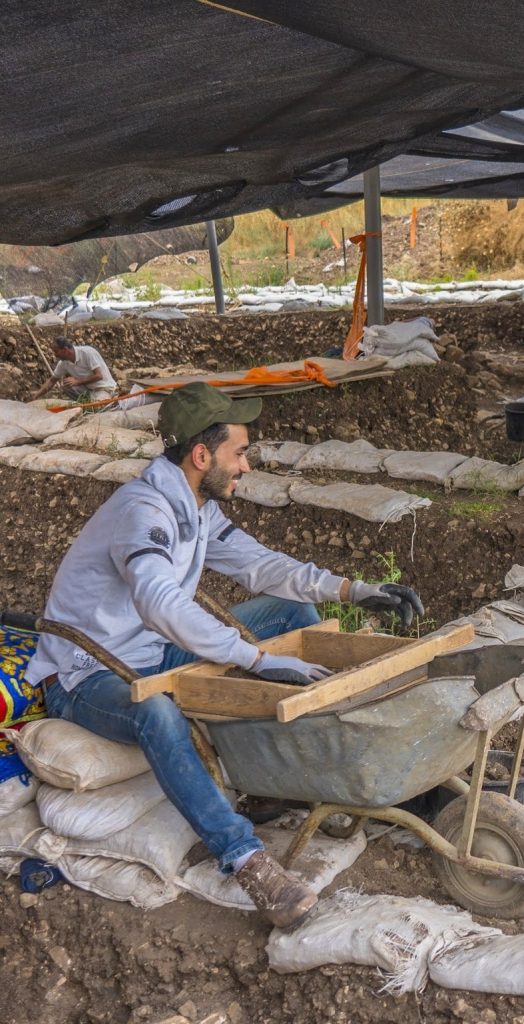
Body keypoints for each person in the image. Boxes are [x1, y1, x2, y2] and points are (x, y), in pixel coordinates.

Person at [26, 382, 424, 928]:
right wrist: (254, 660)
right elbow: (161, 602)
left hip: (150, 651)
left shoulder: (195, 506)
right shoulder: (144, 513)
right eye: (240, 453)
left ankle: (275, 778)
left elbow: (260, 566)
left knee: (290, 615)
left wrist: (351, 589)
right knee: (157, 710)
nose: (247, 467)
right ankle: (246, 859)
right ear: (201, 455)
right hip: (87, 674)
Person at [29, 336, 117, 403]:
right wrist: (38, 394)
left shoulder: (87, 353)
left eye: (56, 351)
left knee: (97, 407)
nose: (55, 355)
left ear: (65, 350)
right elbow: (52, 380)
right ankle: (86, 403)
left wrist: (78, 381)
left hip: (104, 388)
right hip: (89, 390)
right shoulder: (63, 363)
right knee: (67, 385)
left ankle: (105, 399)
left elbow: (98, 376)